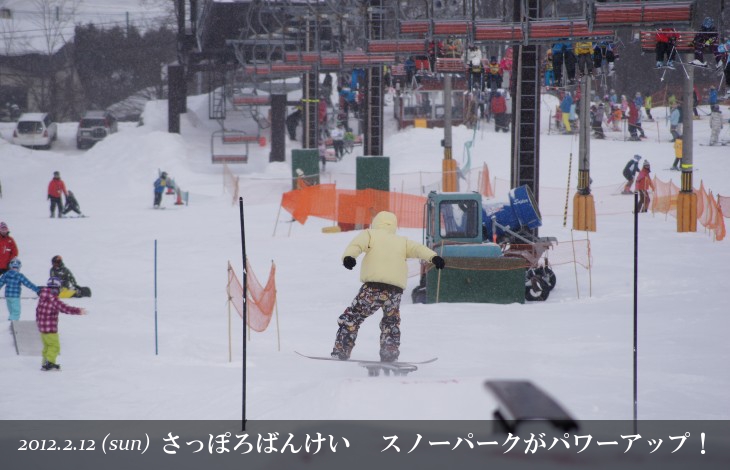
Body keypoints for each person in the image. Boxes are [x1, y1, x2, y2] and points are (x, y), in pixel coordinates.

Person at [331, 211, 445, 362]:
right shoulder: (402, 241)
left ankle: (341, 351)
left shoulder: (370, 234)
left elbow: (356, 245)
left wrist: (349, 257)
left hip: (373, 288)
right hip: (394, 292)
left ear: (376, 223)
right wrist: (434, 257)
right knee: (391, 323)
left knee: (353, 317)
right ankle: (389, 354)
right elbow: (418, 249)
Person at [36, 277, 87, 371]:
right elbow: (65, 308)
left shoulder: (43, 297)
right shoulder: (53, 299)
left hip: (42, 328)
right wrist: (78, 311)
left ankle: (45, 363)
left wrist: (38, 322)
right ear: (56, 288)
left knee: (47, 346)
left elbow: (37, 310)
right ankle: (50, 363)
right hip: (50, 328)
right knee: (54, 346)